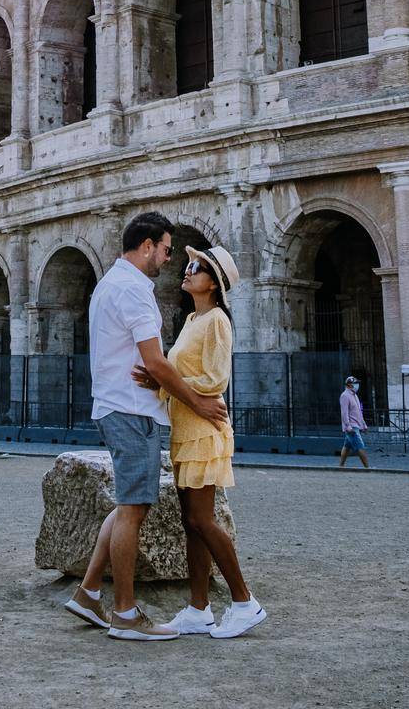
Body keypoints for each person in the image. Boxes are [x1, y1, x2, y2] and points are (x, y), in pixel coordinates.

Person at [64, 212, 228, 643]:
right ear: (147, 245)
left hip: (114, 404)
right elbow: (154, 362)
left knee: (125, 505)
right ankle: (125, 613)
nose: (169, 258)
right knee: (134, 509)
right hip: (132, 409)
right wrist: (197, 402)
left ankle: (88, 593)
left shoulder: (108, 284)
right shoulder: (135, 291)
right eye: (167, 249)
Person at [132, 243, 267, 641]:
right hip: (186, 428)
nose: (186, 270)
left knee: (202, 520)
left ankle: (244, 602)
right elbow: (182, 378)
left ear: (213, 283)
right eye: (189, 265)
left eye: (196, 267)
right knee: (190, 523)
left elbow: (215, 380)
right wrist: (161, 383)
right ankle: (198, 608)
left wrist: (165, 382)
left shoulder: (217, 321)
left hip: (205, 428)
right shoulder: (193, 319)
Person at [338, 375, 370, 470]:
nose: (357, 385)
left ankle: (341, 466)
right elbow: (344, 413)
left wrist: (363, 424)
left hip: (356, 425)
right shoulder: (344, 396)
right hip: (351, 427)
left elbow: (359, 412)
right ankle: (367, 468)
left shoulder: (355, 395)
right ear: (349, 385)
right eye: (355, 383)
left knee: (347, 446)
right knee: (360, 445)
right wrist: (348, 426)